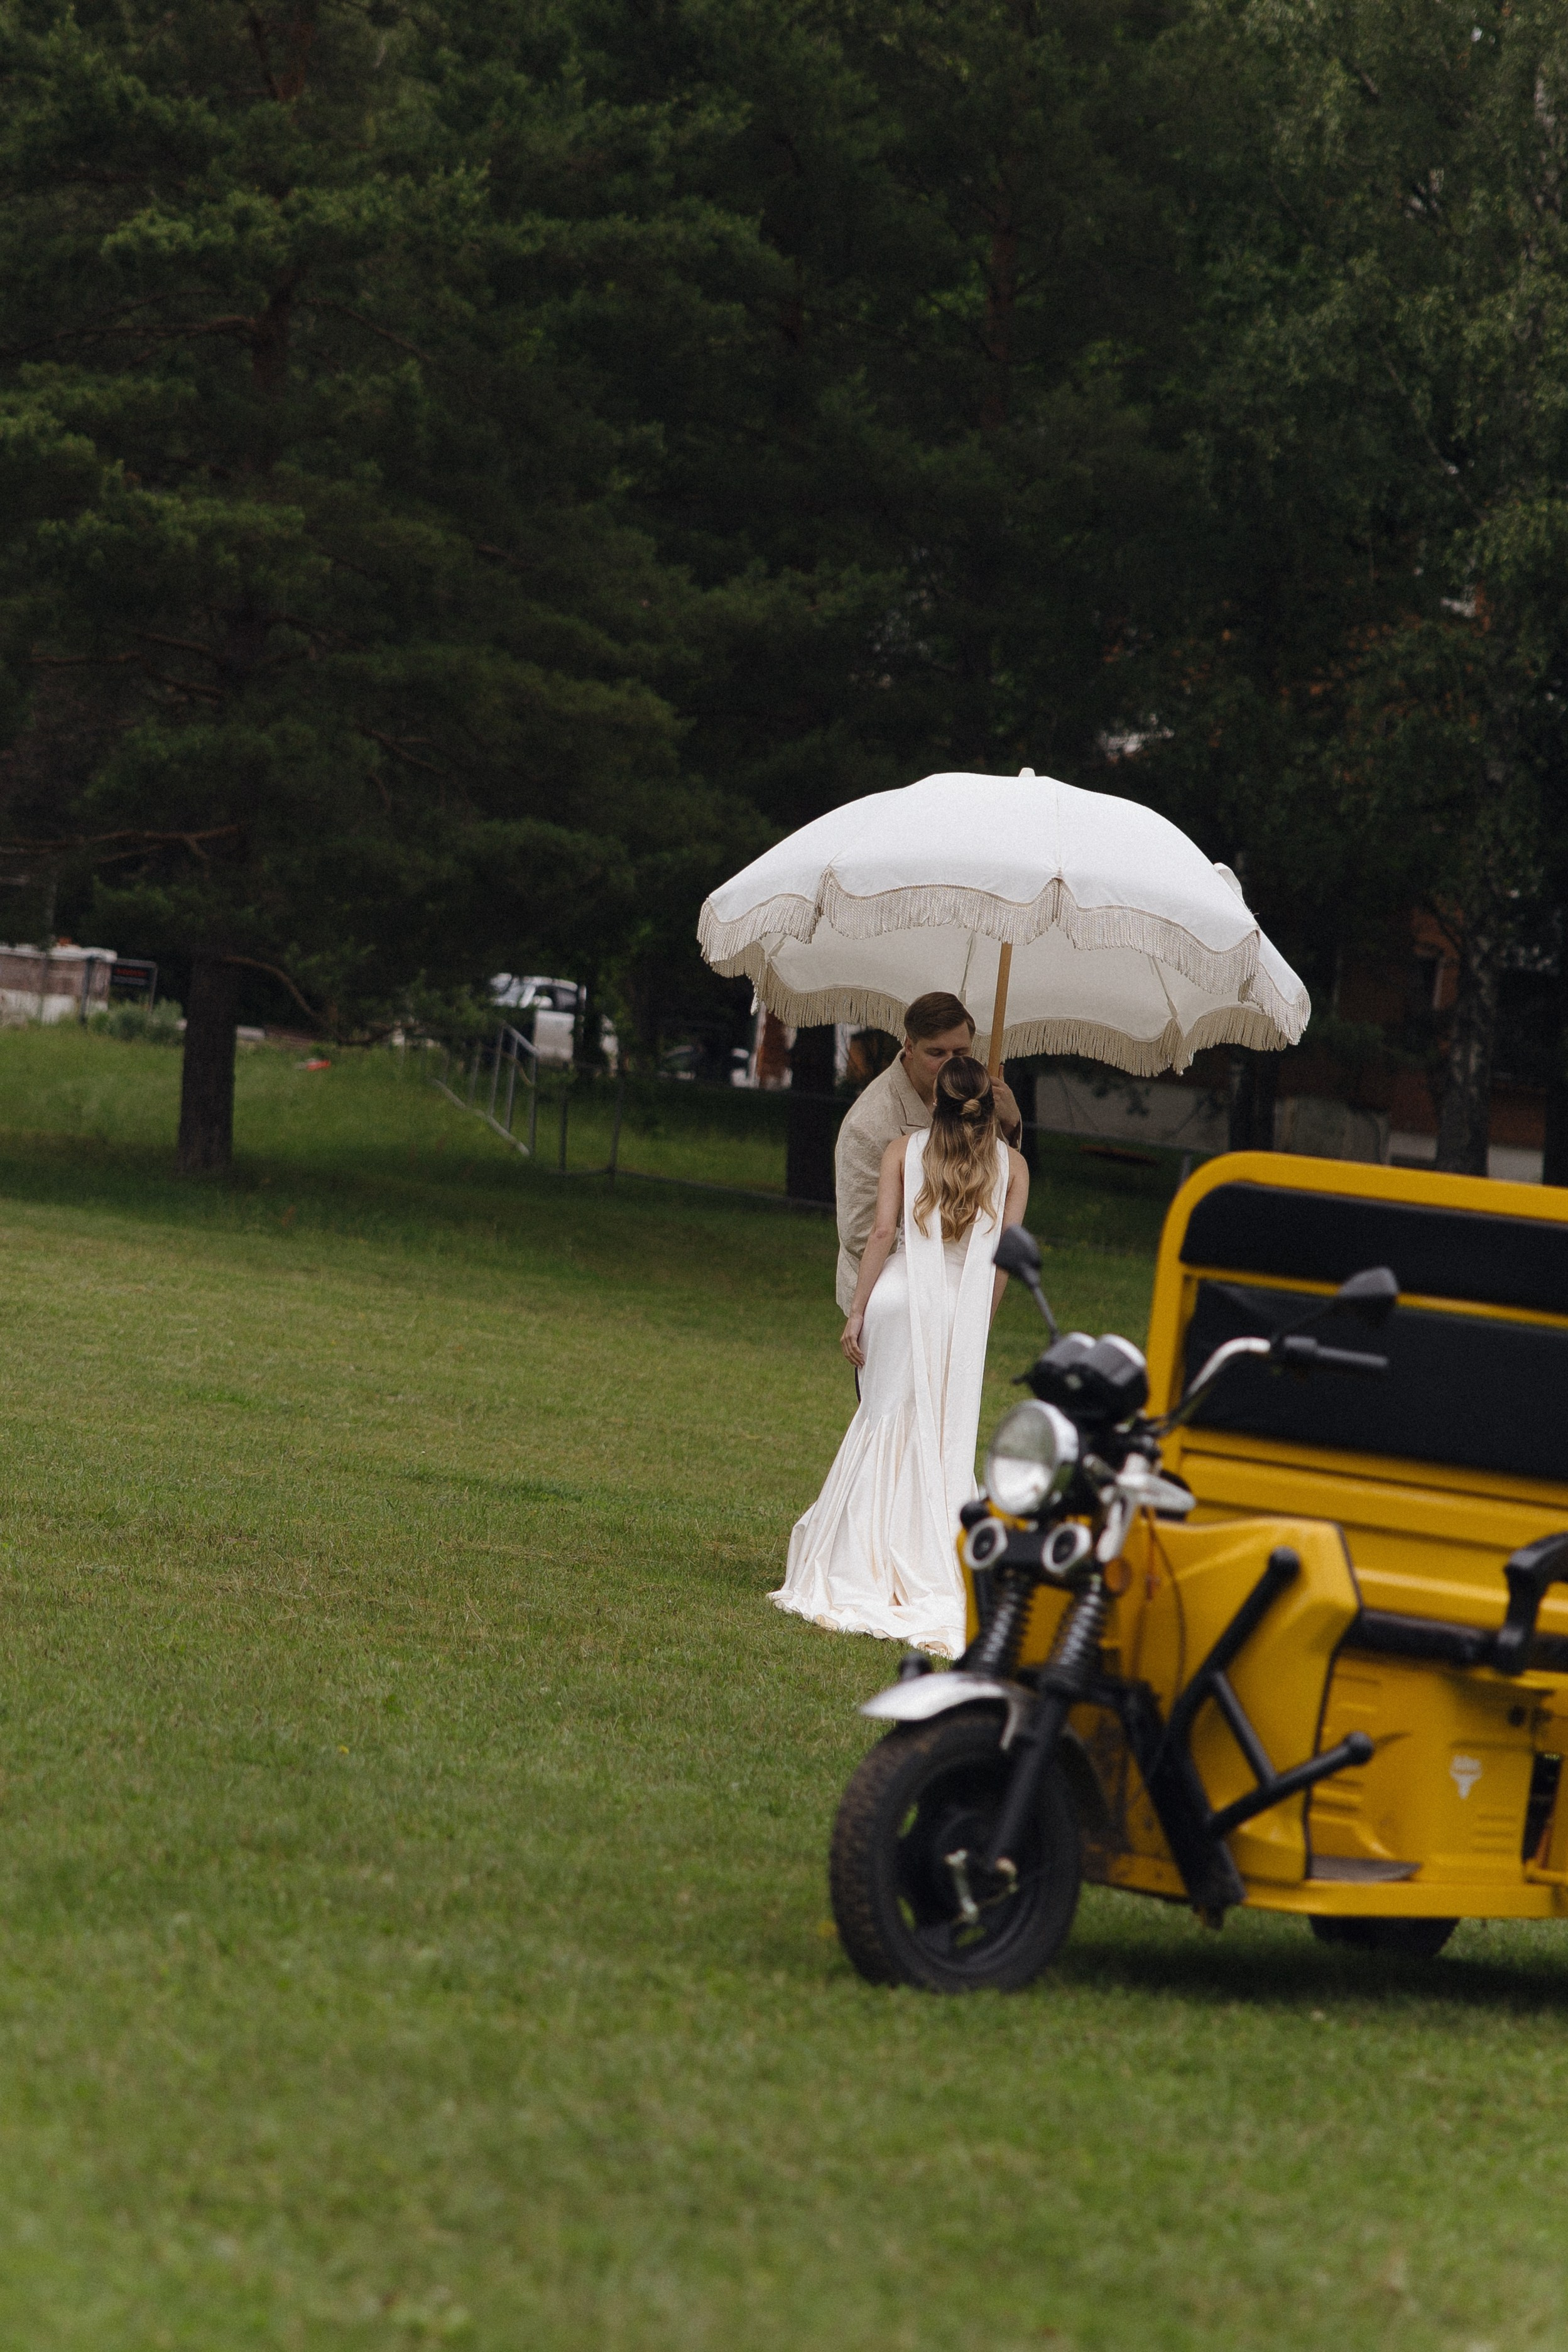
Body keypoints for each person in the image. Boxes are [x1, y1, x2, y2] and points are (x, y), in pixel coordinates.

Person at [771, 1055, 1030, 1658]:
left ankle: (859, 1553)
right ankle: (922, 1553)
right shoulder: (1013, 1167)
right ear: (990, 1104)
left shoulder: (901, 1150)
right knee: (939, 1432)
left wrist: (857, 1311)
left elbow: (882, 1235)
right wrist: (980, 1325)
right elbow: (1003, 1258)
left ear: (935, 1099)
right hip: (956, 1305)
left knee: (882, 1420)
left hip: (898, 1293)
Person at [832, 992, 1023, 1317]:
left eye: (961, 1051)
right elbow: (862, 1234)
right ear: (909, 1047)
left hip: (959, 1298)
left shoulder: (974, 1097)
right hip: (886, 1298)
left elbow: (994, 1184)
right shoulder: (869, 1125)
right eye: (936, 1053)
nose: (950, 1063)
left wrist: (1010, 1123)